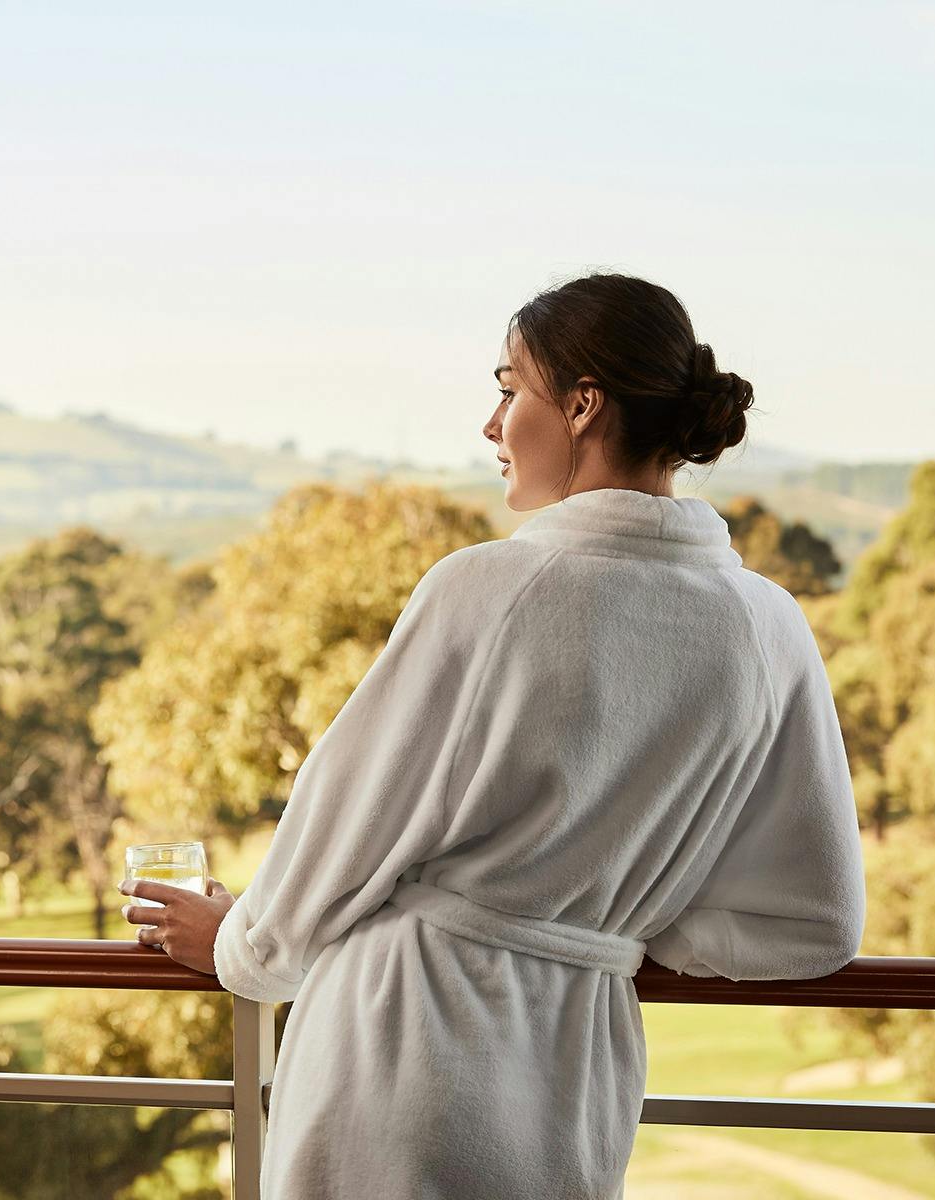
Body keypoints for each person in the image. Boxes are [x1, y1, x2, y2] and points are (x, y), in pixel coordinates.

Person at [119, 271, 868, 1199]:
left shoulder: (486, 589)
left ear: (584, 406)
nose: (491, 423)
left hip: (404, 1045)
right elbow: (816, 922)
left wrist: (243, 944)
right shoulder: (768, 624)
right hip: (576, 1070)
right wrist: (607, 924)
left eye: (511, 389)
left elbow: (348, 821)